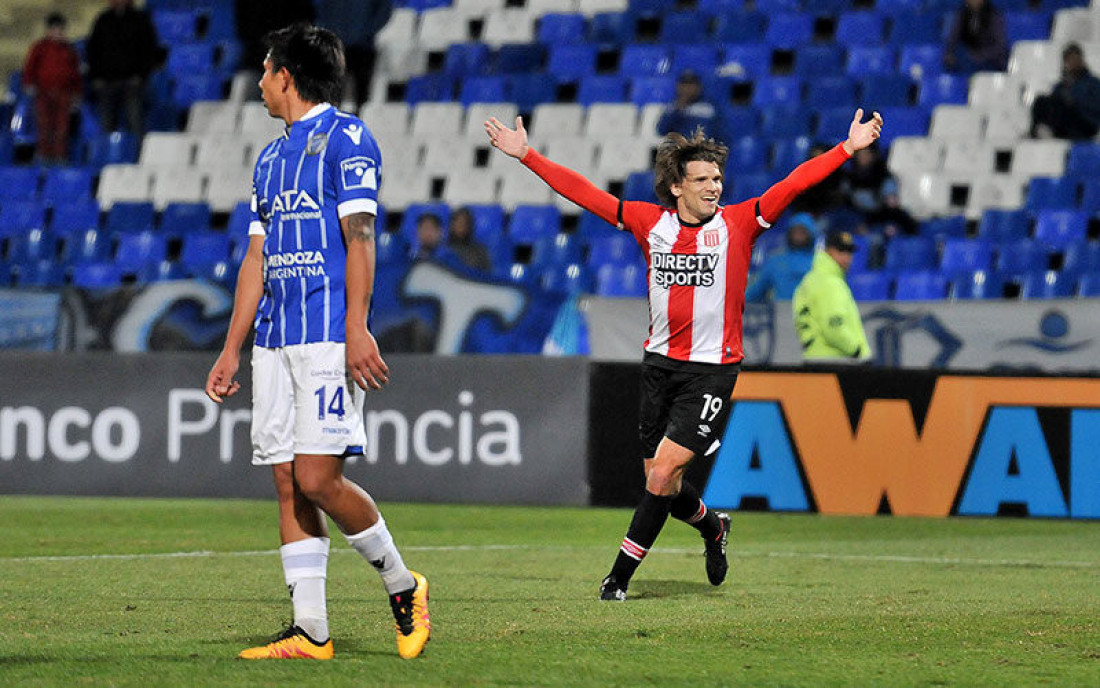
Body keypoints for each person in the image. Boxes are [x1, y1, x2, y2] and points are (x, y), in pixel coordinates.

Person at [485, 108, 883, 600]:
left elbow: (793, 184)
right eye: (702, 179)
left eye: (717, 177)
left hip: (712, 370)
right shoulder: (650, 223)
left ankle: (618, 580)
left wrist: (846, 148)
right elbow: (587, 195)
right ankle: (713, 527)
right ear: (677, 186)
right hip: (659, 366)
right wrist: (527, 155)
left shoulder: (741, 224)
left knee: (665, 471)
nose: (714, 186)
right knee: (662, 483)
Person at [205, 23, 430, 661]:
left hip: (328, 336)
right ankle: (311, 631)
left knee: (318, 478)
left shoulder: (348, 137)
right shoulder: (270, 159)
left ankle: (401, 583)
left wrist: (358, 326)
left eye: (266, 69)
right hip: (274, 341)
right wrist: (231, 348)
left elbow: (360, 237)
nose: (259, 82)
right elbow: (256, 259)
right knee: (286, 482)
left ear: (287, 75)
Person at [792, 229, 871, 363]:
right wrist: (857, 350)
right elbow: (833, 326)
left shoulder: (810, 279)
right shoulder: (830, 283)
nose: (846, 257)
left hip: (813, 356)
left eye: (849, 251)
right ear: (826, 251)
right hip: (835, 360)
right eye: (840, 250)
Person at [85, 0, 161, 134]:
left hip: (132, 82)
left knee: (135, 123)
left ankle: (139, 154)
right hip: (106, 82)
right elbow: (92, 50)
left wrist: (141, 76)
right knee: (106, 126)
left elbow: (150, 49)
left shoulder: (140, 19)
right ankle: (107, 154)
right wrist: (96, 77)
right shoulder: (103, 19)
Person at [22, 12, 82, 164]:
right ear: (48, 31)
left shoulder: (69, 50)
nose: (58, 33)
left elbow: (75, 73)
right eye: (54, 29)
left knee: (62, 127)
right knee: (44, 126)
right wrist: (29, 83)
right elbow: (30, 68)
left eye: (60, 29)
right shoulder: (39, 48)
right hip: (43, 93)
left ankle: (59, 157)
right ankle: (43, 156)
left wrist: (76, 92)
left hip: (64, 94)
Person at [316, 0, 393, 105]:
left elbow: (384, 11)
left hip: (364, 47)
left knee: (362, 95)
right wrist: (330, 31)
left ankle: (361, 117)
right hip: (336, 47)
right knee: (332, 95)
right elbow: (320, 10)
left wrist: (367, 32)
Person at [1030, 43, 1100, 141]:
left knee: (1063, 104)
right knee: (1041, 100)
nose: (1073, 63)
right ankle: (1035, 133)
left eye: (1075, 59)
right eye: (1069, 60)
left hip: (1086, 124)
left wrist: (1074, 102)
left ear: (1082, 60)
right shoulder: (1061, 85)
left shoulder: (1093, 83)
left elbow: (1096, 108)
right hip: (1064, 125)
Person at [745, 215, 815, 302]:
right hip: (781, 312)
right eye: (795, 232)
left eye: (802, 232)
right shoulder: (776, 261)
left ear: (811, 234)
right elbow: (755, 290)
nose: (798, 236)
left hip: (812, 313)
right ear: (789, 233)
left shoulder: (819, 262)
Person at [943, 0, 1007, 75]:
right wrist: (950, 53)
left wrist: (981, 55)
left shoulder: (994, 15)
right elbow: (952, 38)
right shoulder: (962, 13)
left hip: (991, 62)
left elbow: (1001, 46)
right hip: (969, 61)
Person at [656, 70, 721, 142]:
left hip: (702, 149)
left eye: (691, 85)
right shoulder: (672, 107)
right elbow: (661, 131)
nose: (687, 89)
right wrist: (677, 110)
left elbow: (717, 132)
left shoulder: (708, 107)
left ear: (699, 87)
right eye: (684, 85)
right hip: (679, 149)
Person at [446, 207, 492, 273]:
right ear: (451, 225)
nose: (461, 226)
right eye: (458, 222)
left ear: (470, 226)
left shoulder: (480, 251)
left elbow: (487, 275)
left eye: (464, 223)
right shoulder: (442, 248)